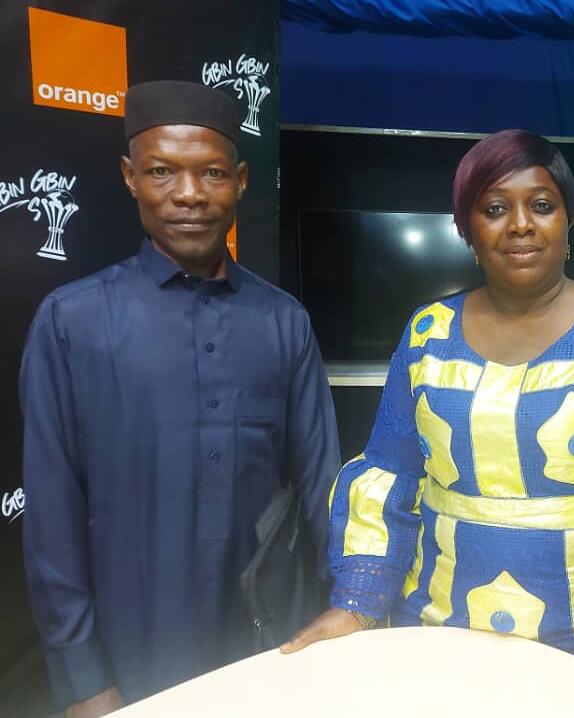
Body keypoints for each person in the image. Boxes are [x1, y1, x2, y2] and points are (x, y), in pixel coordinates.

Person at [280, 129, 574, 718]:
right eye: (495, 209)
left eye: (541, 205)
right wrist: (356, 605)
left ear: (569, 220)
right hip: (438, 633)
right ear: (467, 230)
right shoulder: (427, 334)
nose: (520, 225)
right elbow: (389, 476)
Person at [20, 81, 341, 717]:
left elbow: (322, 486)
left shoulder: (284, 321)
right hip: (133, 650)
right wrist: (84, 680)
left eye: (212, 173)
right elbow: (51, 517)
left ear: (240, 182)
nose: (189, 194)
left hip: (269, 645)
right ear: (130, 177)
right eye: (162, 171)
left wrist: (342, 612)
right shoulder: (72, 321)